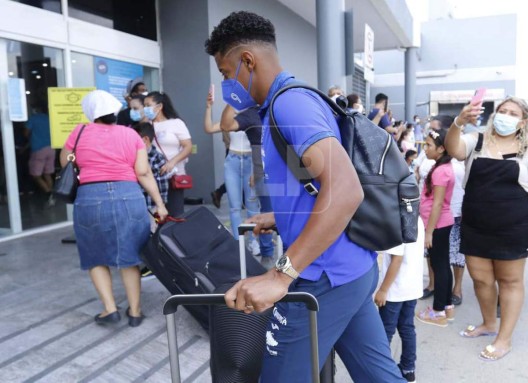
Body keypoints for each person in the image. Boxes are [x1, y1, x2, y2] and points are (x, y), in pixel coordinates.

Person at [205, 11, 406, 382]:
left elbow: (345, 190)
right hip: (350, 266)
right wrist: (281, 217)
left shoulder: (290, 104)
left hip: (321, 275)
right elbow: (312, 182)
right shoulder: (276, 107)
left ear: (247, 60)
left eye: (226, 73)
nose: (227, 85)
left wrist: (281, 276)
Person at [445, 96, 528, 361]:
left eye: (513, 113)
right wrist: (458, 122)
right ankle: (488, 323)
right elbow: (453, 149)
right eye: (502, 111)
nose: (506, 116)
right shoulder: (476, 140)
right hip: (476, 225)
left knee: (510, 282)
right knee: (480, 279)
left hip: (513, 228)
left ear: (523, 121)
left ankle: (504, 339)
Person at [60, 90, 167, 327]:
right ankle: (136, 312)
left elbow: (64, 161)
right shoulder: (131, 135)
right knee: (129, 256)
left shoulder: (79, 132)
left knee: (95, 255)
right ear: (116, 111)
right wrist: (159, 204)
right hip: (128, 195)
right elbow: (143, 172)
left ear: (91, 113)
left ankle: (110, 309)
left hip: (91, 197)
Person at [204, 89, 267, 259]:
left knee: (252, 205)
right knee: (234, 206)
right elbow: (209, 128)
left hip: (250, 162)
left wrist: (257, 169)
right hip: (232, 160)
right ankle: (237, 243)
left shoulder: (255, 114)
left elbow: (261, 144)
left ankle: (254, 242)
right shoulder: (232, 116)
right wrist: (209, 107)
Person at [375, 217, 425, 383]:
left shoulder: (397, 222)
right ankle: (408, 370)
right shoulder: (416, 219)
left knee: (384, 333)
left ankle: (383, 373)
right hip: (411, 287)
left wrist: (383, 290)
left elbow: (396, 260)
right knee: (407, 329)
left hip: (394, 290)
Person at [415, 129, 455, 327]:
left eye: (429, 145)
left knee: (438, 267)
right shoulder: (442, 167)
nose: (425, 148)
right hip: (440, 224)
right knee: (442, 265)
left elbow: (437, 204)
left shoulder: (440, 171)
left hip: (437, 225)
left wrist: (429, 231)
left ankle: (438, 311)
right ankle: (447, 306)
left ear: (441, 148)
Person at [144, 91, 192, 217]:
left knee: (175, 214)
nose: (145, 109)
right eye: (144, 105)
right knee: (156, 216)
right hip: (153, 177)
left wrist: (172, 162)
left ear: (159, 106)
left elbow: (188, 147)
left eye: (148, 105)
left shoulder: (176, 123)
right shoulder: (146, 126)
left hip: (173, 175)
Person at [133, 122, 170, 212]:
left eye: (134, 139)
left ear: (145, 139)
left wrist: (162, 204)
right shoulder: (133, 155)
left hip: (152, 206)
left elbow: (163, 183)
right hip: (136, 204)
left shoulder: (158, 158)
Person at [24, 103, 55, 207]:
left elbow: (26, 133)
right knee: (47, 173)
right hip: (51, 148)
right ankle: (51, 197)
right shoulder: (50, 119)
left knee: (36, 175)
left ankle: (48, 193)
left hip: (38, 149)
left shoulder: (33, 119)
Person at [449, 158, 466, 305]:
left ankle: (457, 289)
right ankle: (433, 284)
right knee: (433, 252)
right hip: (436, 211)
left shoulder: (465, 156)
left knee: (458, 253)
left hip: (459, 211)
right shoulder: (434, 152)